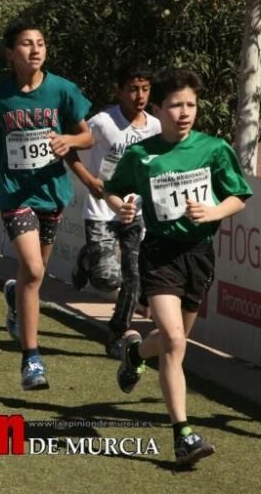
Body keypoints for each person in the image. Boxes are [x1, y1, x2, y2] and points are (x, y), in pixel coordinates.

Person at [104, 68, 251, 468]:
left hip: (199, 254)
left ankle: (134, 354)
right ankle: (183, 434)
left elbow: (239, 195)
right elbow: (112, 189)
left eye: (190, 105)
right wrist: (124, 207)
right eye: (175, 105)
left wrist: (214, 210)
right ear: (158, 109)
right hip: (160, 254)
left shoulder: (214, 149)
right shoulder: (141, 154)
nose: (184, 113)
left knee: (175, 343)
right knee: (172, 339)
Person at [0, 21, 92, 391]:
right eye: (26, 44)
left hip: (51, 192)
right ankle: (31, 360)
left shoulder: (62, 90)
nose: (35, 50)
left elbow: (88, 134)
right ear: (10, 53)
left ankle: (16, 298)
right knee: (33, 270)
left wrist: (69, 139)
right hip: (15, 194)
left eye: (40, 44)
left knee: (34, 277)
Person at [66, 62, 162, 358]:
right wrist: (89, 180)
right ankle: (86, 260)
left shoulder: (156, 126)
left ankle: (117, 332)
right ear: (118, 91)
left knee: (133, 278)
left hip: (135, 213)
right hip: (102, 210)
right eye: (133, 89)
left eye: (145, 89)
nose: (139, 96)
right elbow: (71, 150)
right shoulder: (102, 122)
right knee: (107, 278)